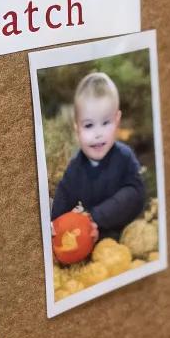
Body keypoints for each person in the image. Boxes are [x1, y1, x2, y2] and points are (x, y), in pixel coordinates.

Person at [50, 70, 146, 244]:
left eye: (106, 123)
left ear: (117, 121)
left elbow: (136, 195)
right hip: (88, 236)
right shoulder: (76, 168)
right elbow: (62, 201)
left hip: (124, 233)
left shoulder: (124, 157)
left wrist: (95, 217)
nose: (98, 134)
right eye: (88, 125)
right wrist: (54, 226)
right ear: (77, 128)